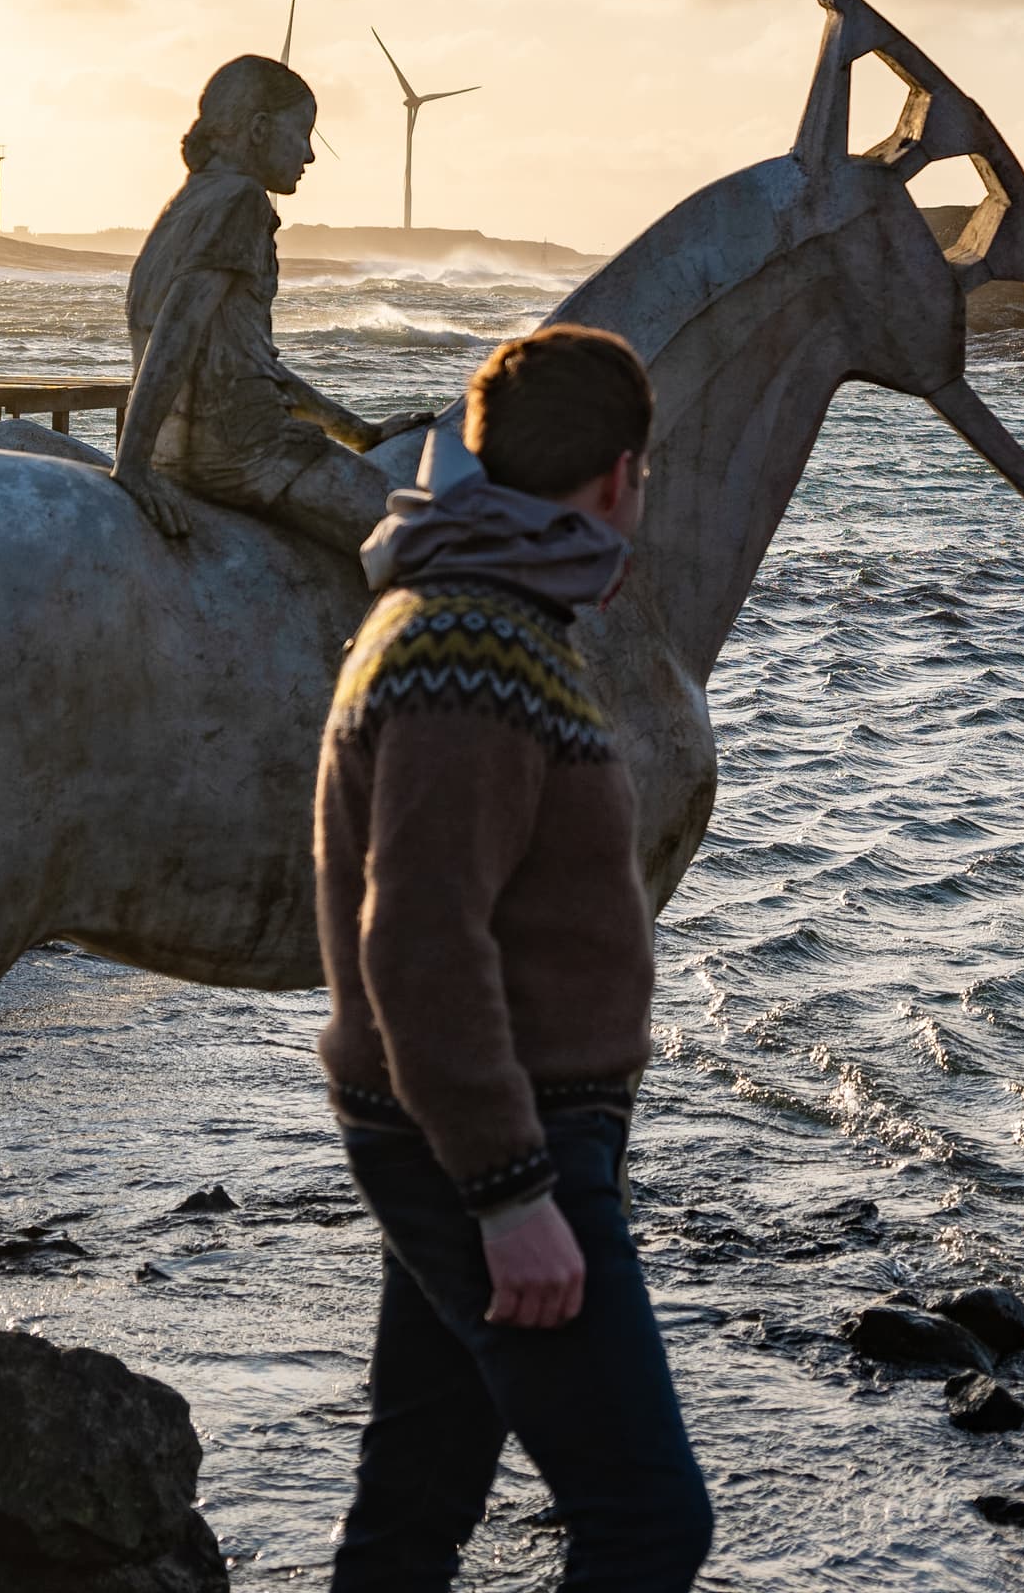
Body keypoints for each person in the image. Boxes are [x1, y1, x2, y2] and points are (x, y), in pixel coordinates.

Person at [315, 323, 710, 1592]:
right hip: (494, 1139)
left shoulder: (487, 616)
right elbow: (420, 932)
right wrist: (512, 1191)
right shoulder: (468, 643)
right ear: (617, 477)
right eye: (640, 480)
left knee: (415, 1505)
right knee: (648, 1519)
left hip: (476, 1127)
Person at [115, 55, 422, 552]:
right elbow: (178, 330)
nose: (310, 155)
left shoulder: (186, 203)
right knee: (436, 540)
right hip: (246, 451)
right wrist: (128, 468)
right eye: (302, 133)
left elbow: (244, 361)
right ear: (258, 129)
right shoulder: (241, 200)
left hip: (174, 455)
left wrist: (359, 431)